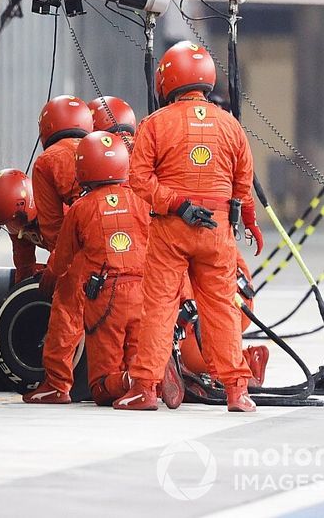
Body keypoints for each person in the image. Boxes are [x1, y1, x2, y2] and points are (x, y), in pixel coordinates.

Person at [115, 41, 257, 413]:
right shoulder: (230, 125)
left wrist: (177, 204)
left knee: (159, 307)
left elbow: (139, 179)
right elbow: (243, 183)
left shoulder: (155, 124)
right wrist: (250, 224)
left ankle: (144, 389)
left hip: (172, 229)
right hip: (218, 232)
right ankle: (237, 391)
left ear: (167, 80)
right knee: (223, 309)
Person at [46, 131, 149, 404]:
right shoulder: (141, 201)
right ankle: (144, 382)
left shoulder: (81, 208)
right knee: (138, 363)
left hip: (106, 298)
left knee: (101, 388)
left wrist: (49, 276)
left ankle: (130, 380)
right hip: (143, 292)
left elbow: (63, 257)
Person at [21, 95, 92, 403]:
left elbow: (53, 230)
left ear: (47, 128)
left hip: (84, 240)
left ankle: (57, 384)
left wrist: (56, 268)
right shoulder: (109, 146)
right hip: (128, 239)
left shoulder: (47, 161)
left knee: (66, 311)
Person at [0, 169, 47, 284]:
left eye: (12, 221)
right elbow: (24, 266)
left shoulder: (57, 213)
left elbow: (69, 259)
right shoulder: (16, 219)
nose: (12, 227)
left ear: (23, 204)